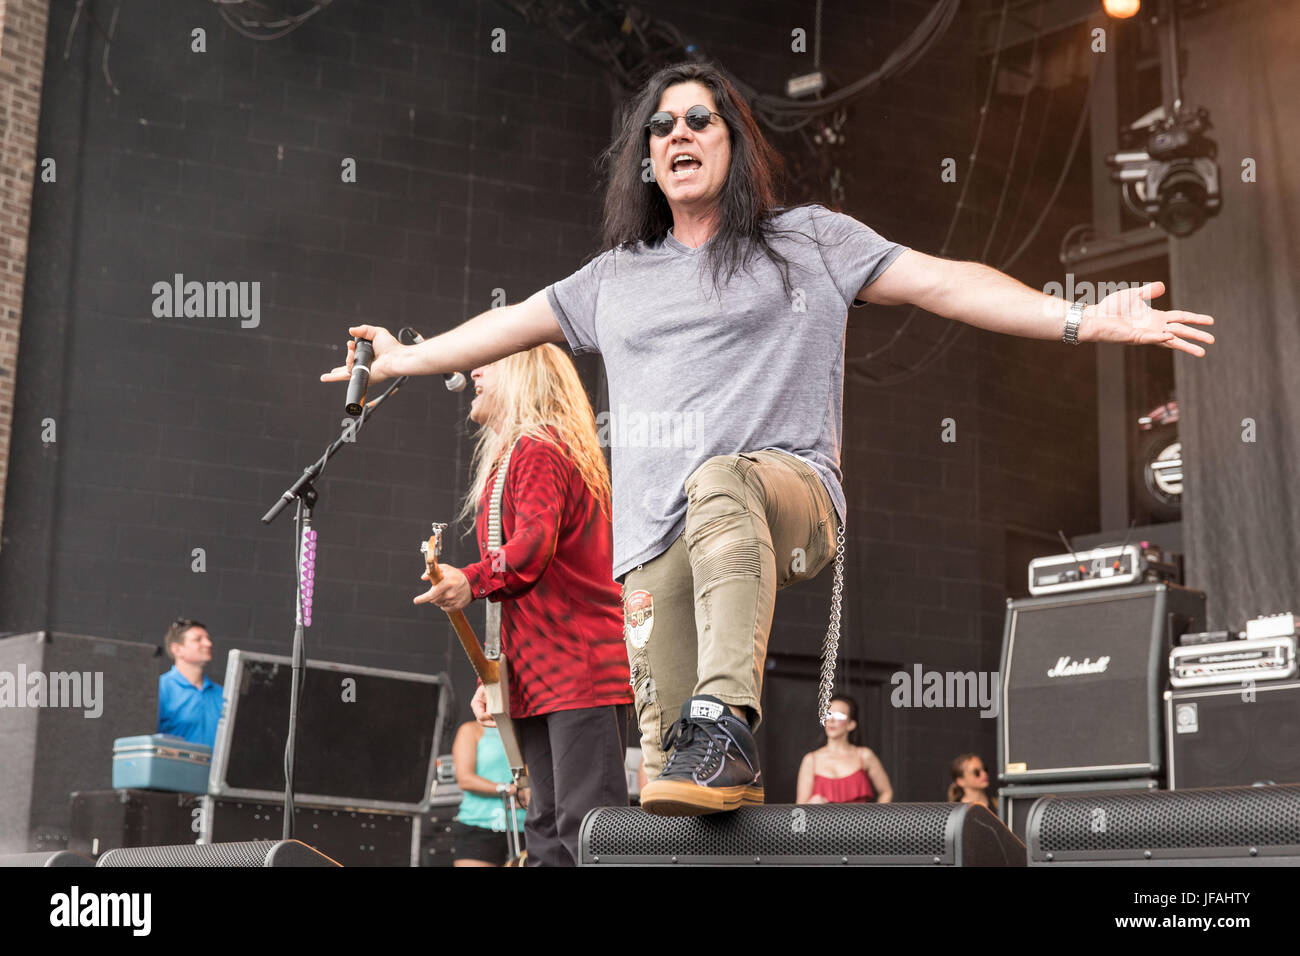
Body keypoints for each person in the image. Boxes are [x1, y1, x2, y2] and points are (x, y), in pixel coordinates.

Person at [322, 61, 1215, 817]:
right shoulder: (612, 281)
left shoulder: (809, 242)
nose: (679, 134)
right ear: (645, 159)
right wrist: (405, 358)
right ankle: (712, 743)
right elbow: (509, 324)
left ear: (732, 141)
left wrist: (1082, 318)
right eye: (661, 125)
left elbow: (946, 282)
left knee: (721, 487)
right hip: (653, 553)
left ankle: (727, 714)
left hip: (785, 497)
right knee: (685, 797)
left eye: (699, 120)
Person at [413, 344, 633, 866]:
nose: (474, 371)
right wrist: (494, 678)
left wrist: (470, 578)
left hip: (578, 670)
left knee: (586, 830)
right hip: (539, 672)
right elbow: (519, 591)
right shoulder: (515, 458)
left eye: (489, 362)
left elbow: (530, 550)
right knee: (548, 827)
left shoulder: (541, 449)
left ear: (523, 374)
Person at [450, 719, 529, 867]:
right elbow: (465, 779)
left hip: (526, 828)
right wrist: (510, 790)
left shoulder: (529, 729)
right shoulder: (471, 729)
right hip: (480, 825)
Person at [796, 694, 892, 804]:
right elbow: (800, 806)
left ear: (851, 724)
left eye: (839, 716)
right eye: (828, 714)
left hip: (859, 820)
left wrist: (876, 819)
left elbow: (886, 792)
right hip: (823, 821)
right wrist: (811, 805)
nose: (831, 720)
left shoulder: (864, 755)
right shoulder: (811, 760)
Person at [157, 618, 223, 748]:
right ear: (177, 649)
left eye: (208, 639)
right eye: (198, 639)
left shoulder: (223, 694)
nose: (208, 643)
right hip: (174, 768)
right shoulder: (160, 688)